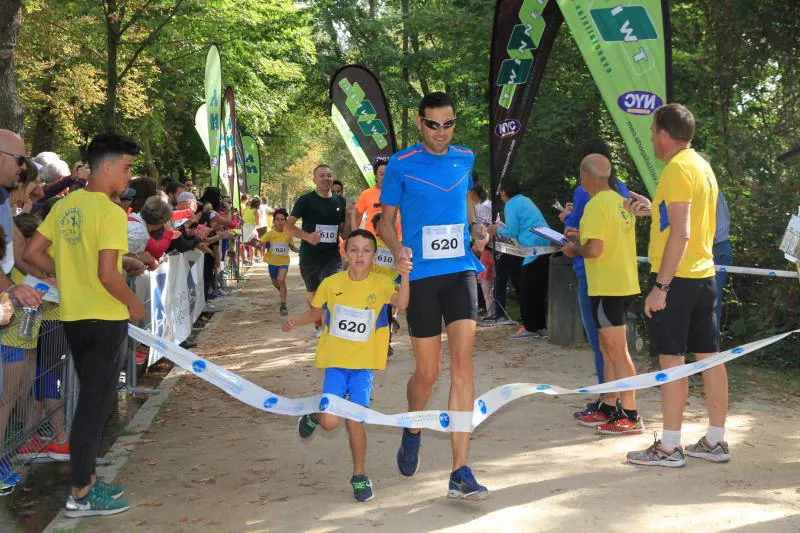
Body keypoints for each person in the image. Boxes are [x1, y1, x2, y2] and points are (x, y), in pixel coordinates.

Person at [25, 132, 146, 516]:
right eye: (126, 168)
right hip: (106, 319)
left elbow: (31, 254)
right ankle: (80, 493)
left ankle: (87, 481)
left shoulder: (64, 206)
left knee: (92, 404)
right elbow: (109, 275)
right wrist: (133, 304)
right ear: (106, 167)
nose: (128, 177)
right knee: (94, 407)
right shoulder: (111, 213)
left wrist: (64, 277)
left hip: (75, 318)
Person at [378, 91, 488, 499]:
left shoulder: (466, 157)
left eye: (448, 123)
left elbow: (463, 204)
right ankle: (412, 425)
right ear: (420, 123)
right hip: (421, 276)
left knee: (463, 367)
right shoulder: (401, 165)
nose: (441, 132)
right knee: (428, 373)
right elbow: (384, 222)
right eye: (432, 124)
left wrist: (476, 229)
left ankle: (460, 469)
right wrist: (396, 248)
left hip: (460, 270)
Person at [624, 103, 727, 467]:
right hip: (704, 276)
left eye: (653, 132)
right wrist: (652, 209)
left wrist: (661, 287)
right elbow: (685, 219)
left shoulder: (677, 170)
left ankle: (669, 447)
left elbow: (681, 233)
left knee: (672, 360)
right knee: (709, 358)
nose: (651, 138)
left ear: (665, 135)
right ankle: (716, 440)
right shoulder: (701, 165)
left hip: (677, 279)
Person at [283, 229, 411, 502]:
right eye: (354, 249)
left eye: (366, 250)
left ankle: (360, 475)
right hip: (336, 365)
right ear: (345, 253)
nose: (360, 255)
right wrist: (297, 321)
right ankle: (315, 416)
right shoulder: (332, 283)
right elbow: (317, 312)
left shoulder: (381, 283)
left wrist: (406, 274)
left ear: (374, 256)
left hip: (363, 367)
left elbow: (401, 302)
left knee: (355, 422)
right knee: (331, 423)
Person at [562, 154, 644, 435]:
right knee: (609, 347)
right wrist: (578, 240)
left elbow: (594, 251)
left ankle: (631, 413)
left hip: (607, 286)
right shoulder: (620, 202)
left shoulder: (596, 205)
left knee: (616, 350)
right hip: (622, 282)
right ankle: (609, 404)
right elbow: (605, 243)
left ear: (585, 177)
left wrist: (573, 249)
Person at [286, 164, 350, 336]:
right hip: (310, 258)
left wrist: (351, 216)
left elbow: (344, 231)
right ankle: (318, 323)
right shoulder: (305, 200)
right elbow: (287, 227)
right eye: (321, 175)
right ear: (314, 179)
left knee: (332, 290)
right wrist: (307, 236)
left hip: (333, 257)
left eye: (329, 175)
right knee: (314, 295)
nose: (326, 178)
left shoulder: (340, 201)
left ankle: (332, 326)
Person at [488, 179, 550, 339]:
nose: (500, 195)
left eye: (501, 191)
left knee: (529, 290)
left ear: (505, 191)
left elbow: (512, 231)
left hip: (532, 249)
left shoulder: (511, 204)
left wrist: (497, 229)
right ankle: (541, 327)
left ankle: (530, 327)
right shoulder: (525, 200)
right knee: (539, 290)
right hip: (545, 244)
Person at [0, 130, 43, 309]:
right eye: (20, 160)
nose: (24, 167)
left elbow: (16, 246)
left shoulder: (2, 196)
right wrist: (11, 289)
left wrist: (43, 282)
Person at [260, 208, 297, 315]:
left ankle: (283, 305)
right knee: (275, 281)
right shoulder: (270, 234)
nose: (280, 222)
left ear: (285, 221)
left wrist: (301, 251)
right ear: (274, 221)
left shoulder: (288, 234)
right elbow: (261, 243)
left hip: (284, 262)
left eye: (282, 220)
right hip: (272, 262)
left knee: (282, 280)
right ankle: (281, 290)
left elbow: (292, 247)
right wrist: (258, 244)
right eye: (277, 220)